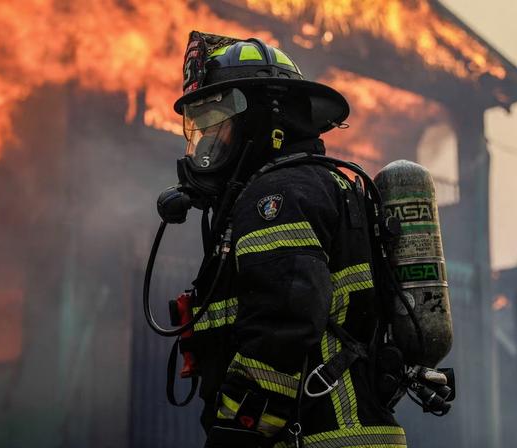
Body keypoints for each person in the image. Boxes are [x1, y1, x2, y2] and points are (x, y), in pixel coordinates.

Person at [165, 31, 408, 448]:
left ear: (262, 119)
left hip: (314, 438)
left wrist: (238, 430)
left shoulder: (276, 196)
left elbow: (283, 327)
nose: (206, 143)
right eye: (200, 128)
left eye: (217, 123)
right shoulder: (321, 185)